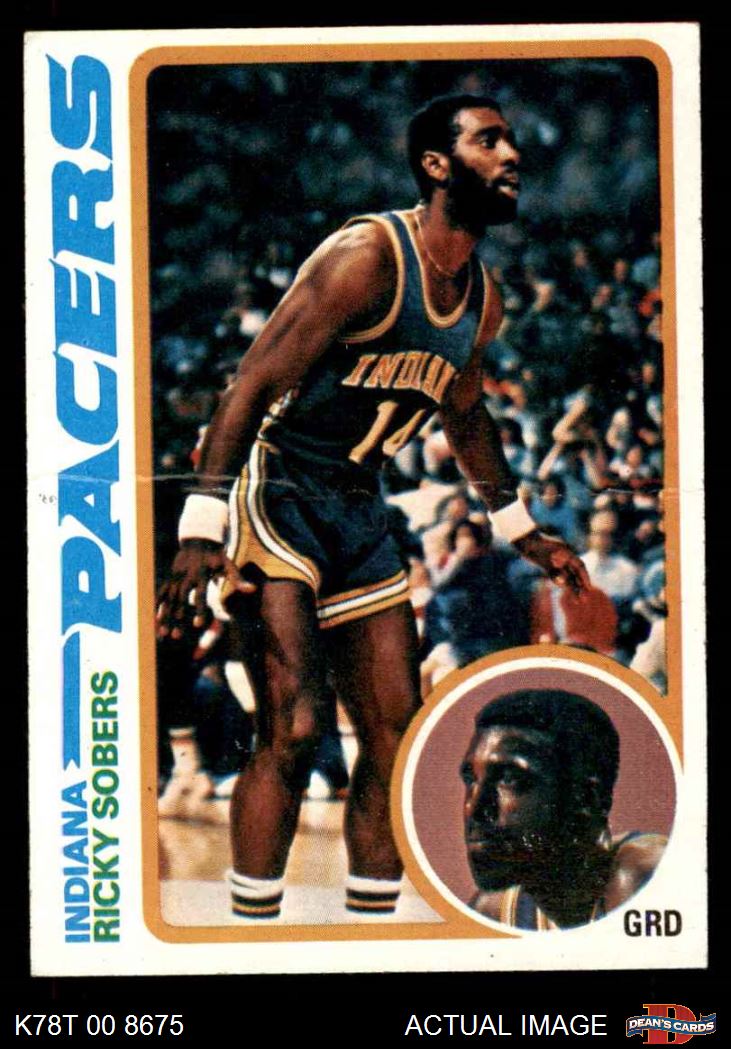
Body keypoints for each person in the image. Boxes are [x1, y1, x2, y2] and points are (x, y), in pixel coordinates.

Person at [157, 94, 589, 920]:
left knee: (396, 735)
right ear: (435, 164)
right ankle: (251, 932)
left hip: (360, 508)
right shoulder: (365, 256)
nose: (511, 155)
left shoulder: (481, 298)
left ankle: (367, 932)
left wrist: (518, 527)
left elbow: (466, 414)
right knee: (293, 729)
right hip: (280, 491)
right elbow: (249, 384)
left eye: (509, 140)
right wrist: (201, 526)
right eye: (488, 141)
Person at [461, 689, 666, 930]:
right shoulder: (494, 908)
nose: (475, 809)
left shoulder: (643, 872)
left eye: (509, 779)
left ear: (587, 799)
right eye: (471, 780)